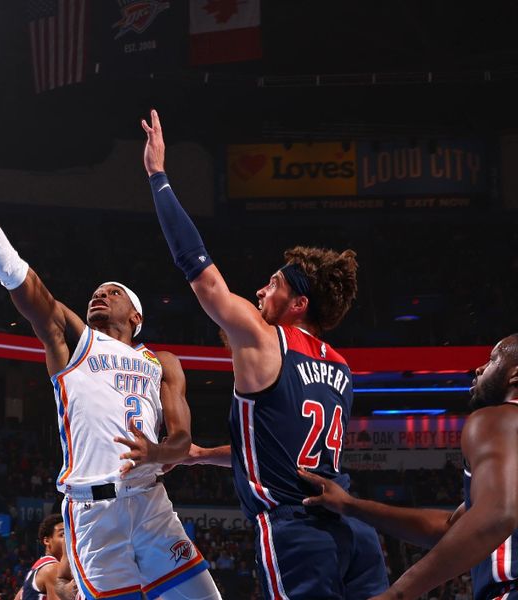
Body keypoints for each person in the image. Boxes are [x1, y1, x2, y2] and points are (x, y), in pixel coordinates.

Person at [0, 124, 220, 600]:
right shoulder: (76, 342)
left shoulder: (164, 362)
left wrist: (158, 453)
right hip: (95, 515)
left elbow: (180, 441)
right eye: (97, 289)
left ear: (135, 315)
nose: (100, 292)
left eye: (113, 292)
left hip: (151, 503)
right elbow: (14, 272)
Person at [141, 109, 388, 599]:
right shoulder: (341, 366)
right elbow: (280, 448)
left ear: (299, 304)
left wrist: (158, 177)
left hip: (297, 530)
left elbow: (200, 271)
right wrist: (201, 456)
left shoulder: (264, 337)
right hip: (354, 531)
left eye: (272, 285)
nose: (259, 291)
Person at [299, 334, 518, 600]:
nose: (479, 369)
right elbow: (451, 527)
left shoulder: (497, 419)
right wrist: (350, 505)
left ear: (514, 375)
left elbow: (496, 516)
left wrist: (396, 595)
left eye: (492, 360)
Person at [15, 514, 66, 600]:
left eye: (69, 535)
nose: (67, 539)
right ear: (47, 541)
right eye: (62, 535)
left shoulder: (36, 569)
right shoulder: (52, 568)